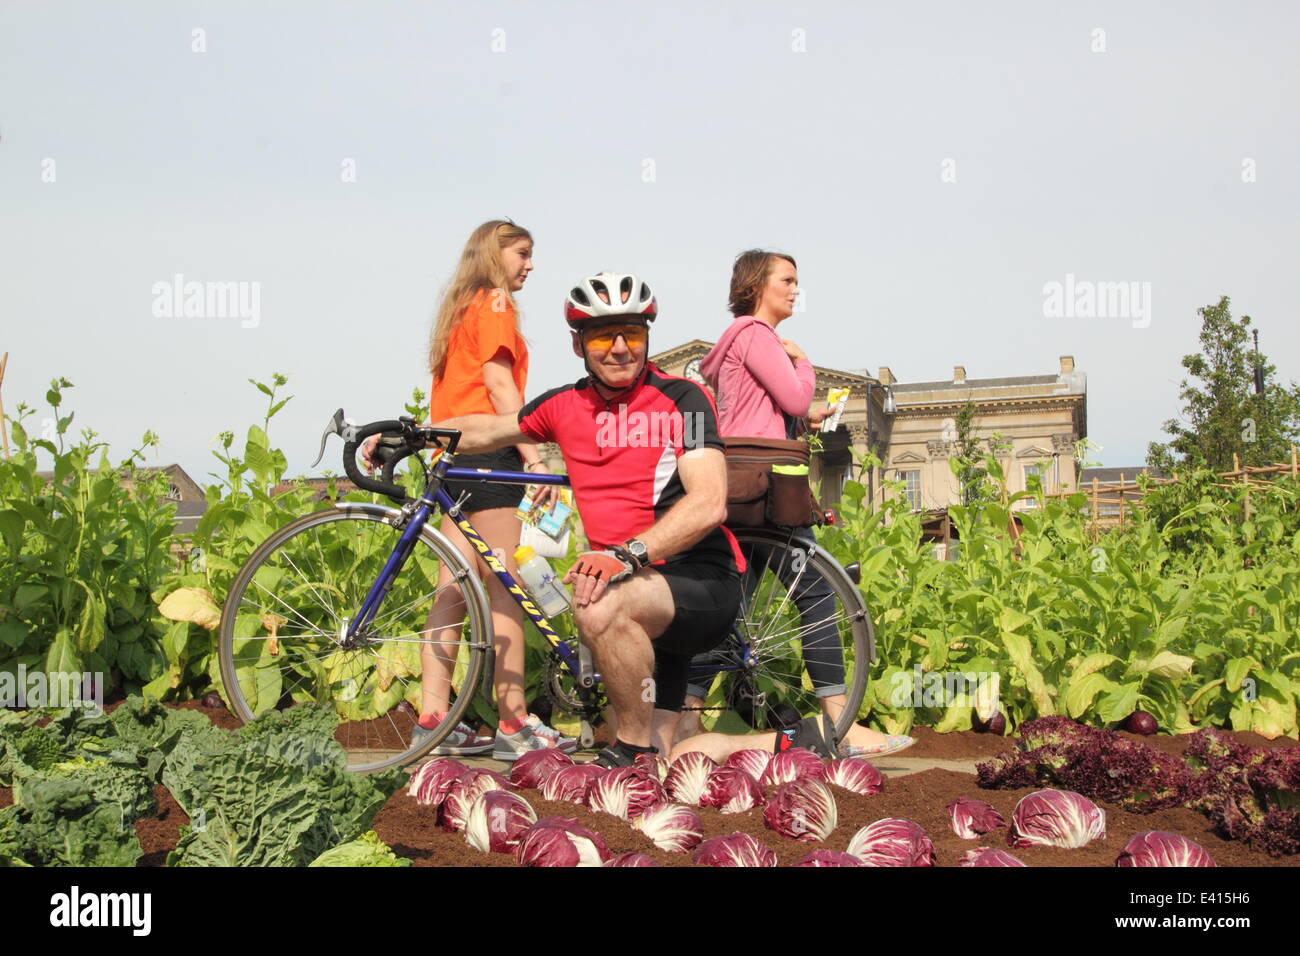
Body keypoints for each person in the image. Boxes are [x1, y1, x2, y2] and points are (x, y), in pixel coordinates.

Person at [430, 271, 840, 767]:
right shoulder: (564, 404)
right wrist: (405, 433)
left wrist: (626, 555)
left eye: (635, 334)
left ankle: (626, 752)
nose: (621, 348)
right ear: (578, 343)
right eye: (604, 335)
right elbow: (486, 430)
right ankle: (792, 742)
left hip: (698, 584)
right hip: (640, 608)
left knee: (598, 600)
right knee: (670, 755)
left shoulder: (684, 400)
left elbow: (709, 501)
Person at [684, 249, 915, 759]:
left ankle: (684, 717)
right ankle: (840, 720)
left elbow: (759, 412)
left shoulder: (729, 346)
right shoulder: (756, 335)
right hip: (769, 492)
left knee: (730, 606)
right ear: (755, 286)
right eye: (786, 280)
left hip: (737, 486)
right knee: (815, 593)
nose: (794, 289)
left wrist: (803, 419)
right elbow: (790, 398)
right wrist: (802, 362)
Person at [397, 219, 575, 761]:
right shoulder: (495, 302)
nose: (530, 264)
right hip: (493, 455)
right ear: (494, 254)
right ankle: (514, 723)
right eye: (522, 252)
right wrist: (533, 454)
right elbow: (500, 385)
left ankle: (433, 719)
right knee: (506, 588)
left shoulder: (460, 307)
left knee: (451, 589)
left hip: (454, 458)